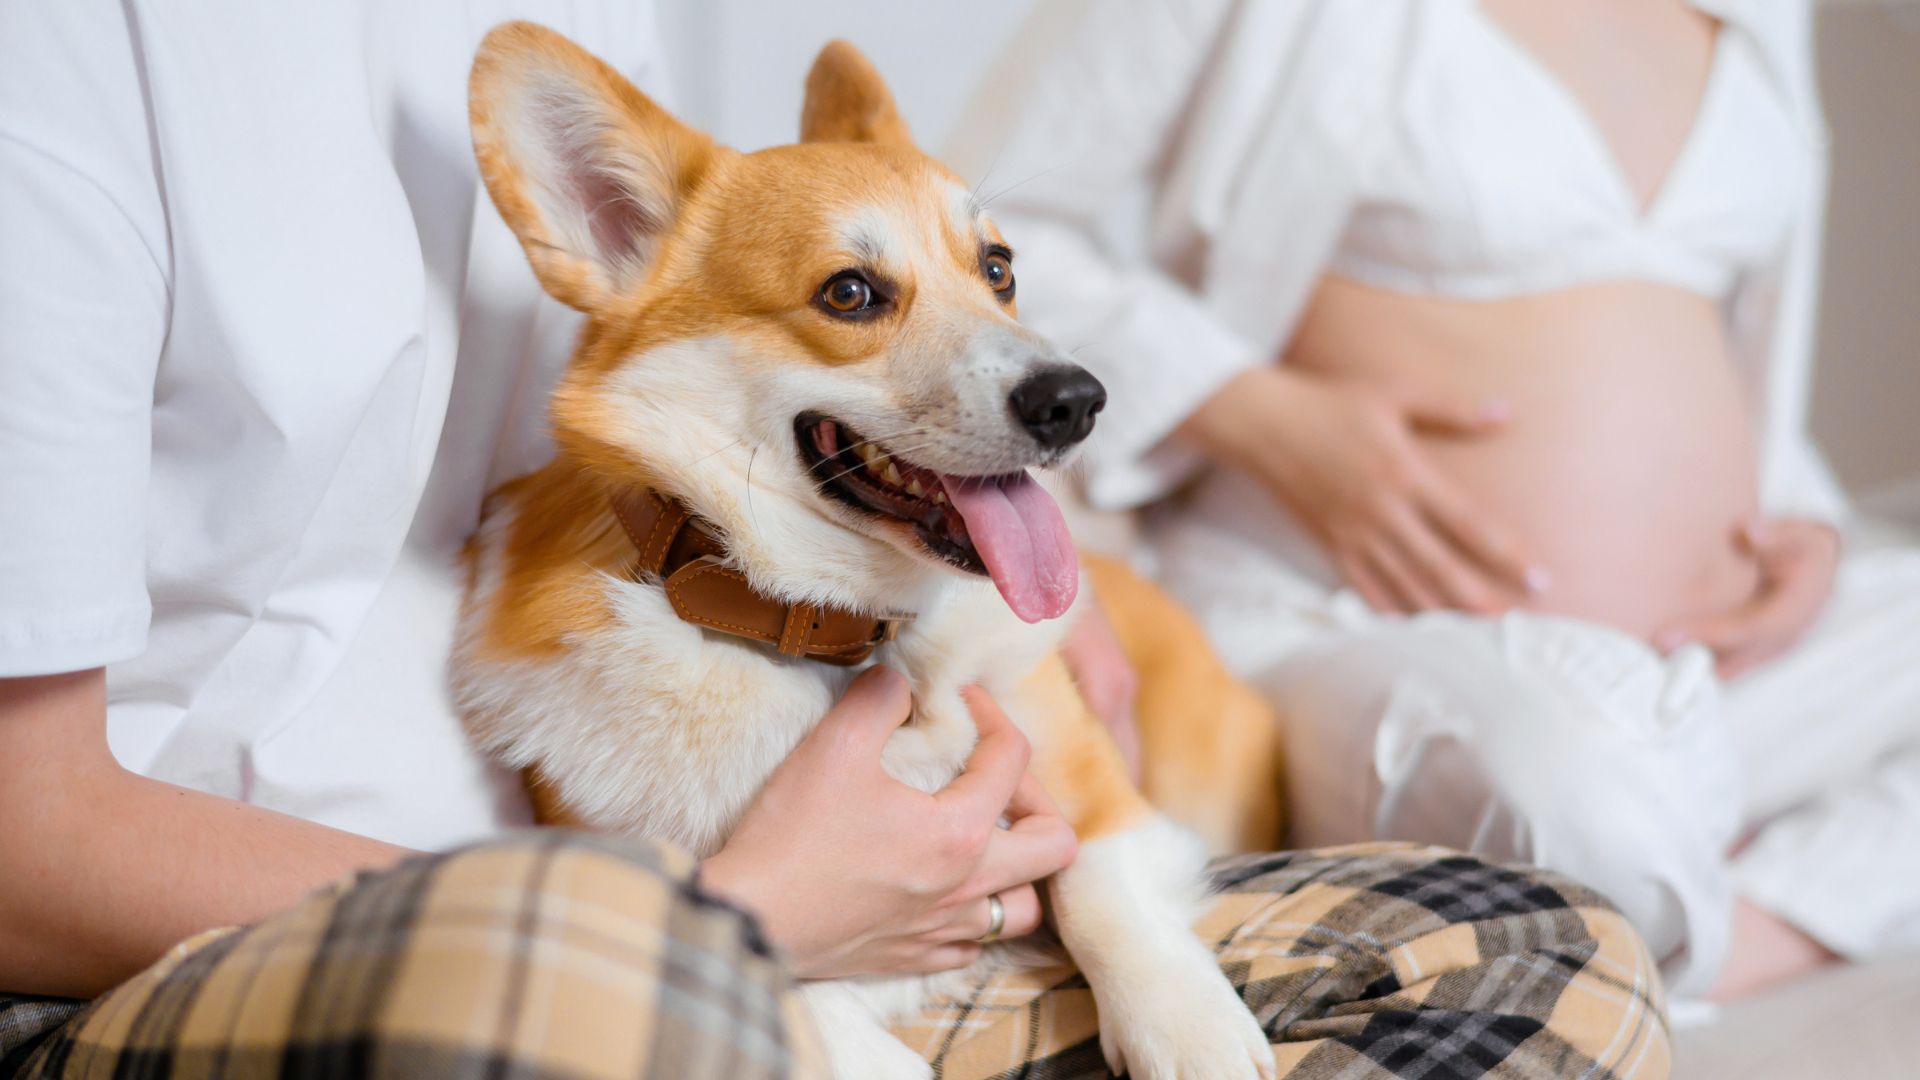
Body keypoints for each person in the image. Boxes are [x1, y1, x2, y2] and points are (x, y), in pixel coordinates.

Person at [0, 3, 1670, 1077]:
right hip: (308, 944)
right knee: (551, 988)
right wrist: (734, 927)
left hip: (787, 855)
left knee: (1546, 944)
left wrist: (995, 560)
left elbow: (719, 381)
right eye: (866, 296)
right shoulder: (62, 59)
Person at [949, 0, 1920, 1004]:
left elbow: (1713, 333)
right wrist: (1261, 414)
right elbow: (983, 226)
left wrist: (1807, 523)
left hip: (1724, 657)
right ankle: (1661, 883)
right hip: (1352, 617)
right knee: (1581, 800)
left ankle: (1712, 940)